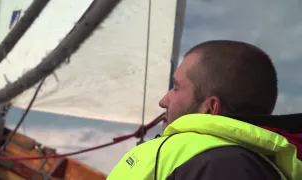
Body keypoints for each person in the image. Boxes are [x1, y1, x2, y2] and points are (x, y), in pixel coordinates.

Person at [107, 40, 302, 180]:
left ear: (210, 108)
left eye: (176, 88)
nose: (163, 101)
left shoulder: (221, 165)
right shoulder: (216, 161)